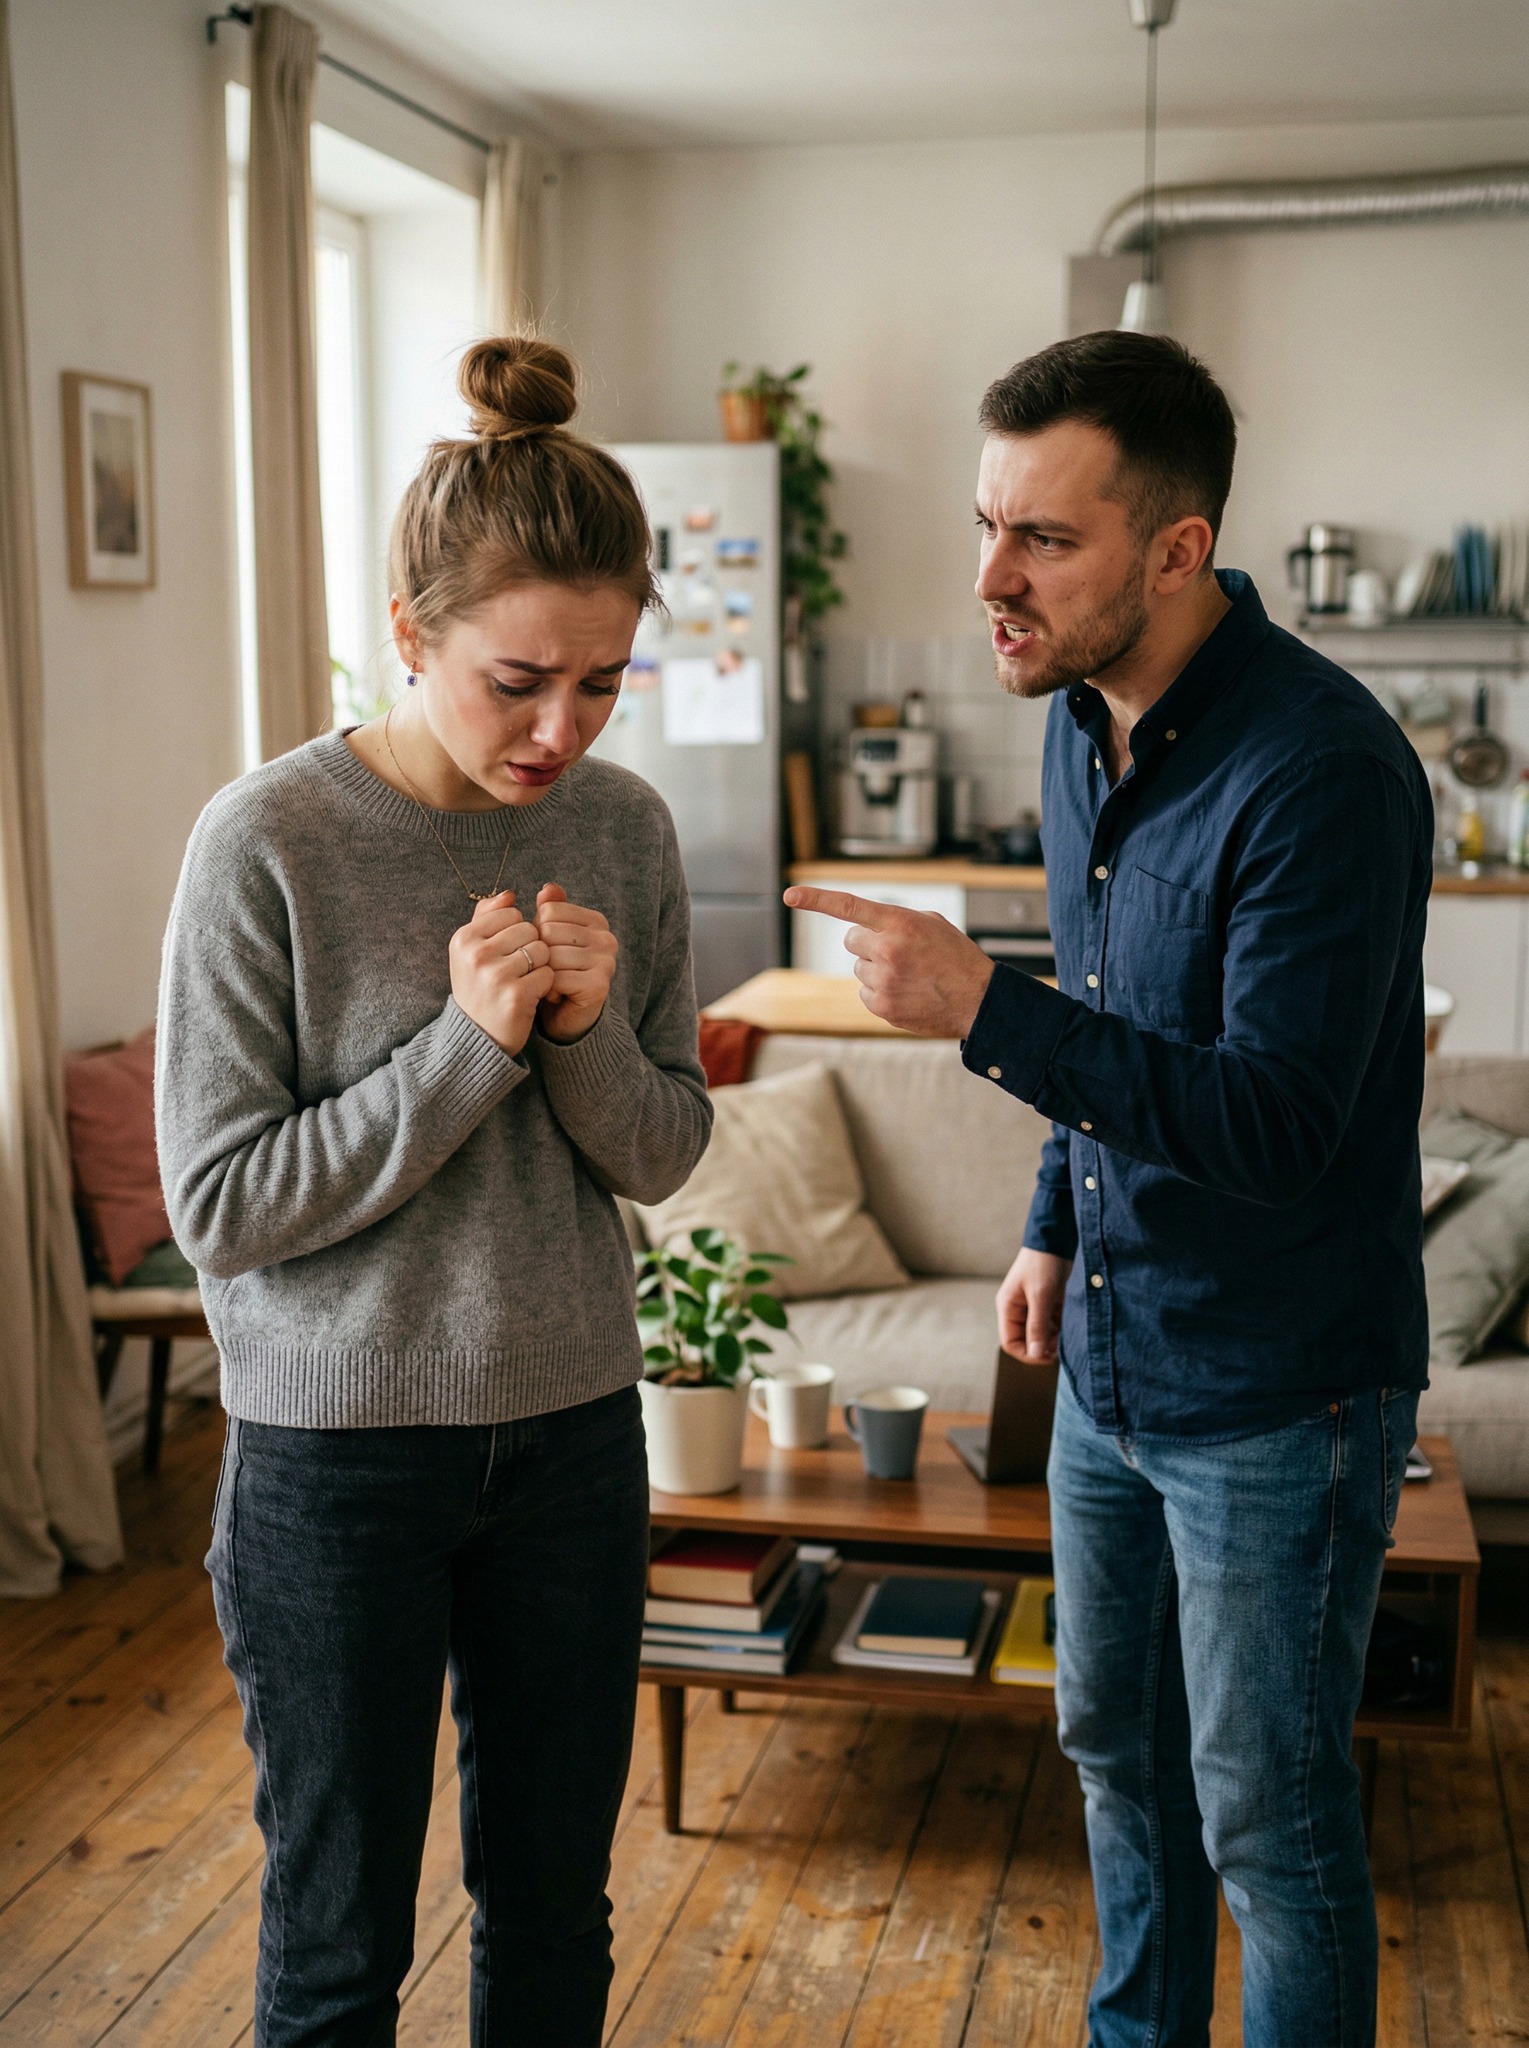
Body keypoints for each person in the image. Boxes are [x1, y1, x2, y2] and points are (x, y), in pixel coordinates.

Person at [786, 330, 1431, 2048]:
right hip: (1107, 1366)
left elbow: (1274, 1122)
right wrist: (1051, 1226)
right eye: (988, 526)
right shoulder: (1077, 728)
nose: (992, 578)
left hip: (1281, 1390)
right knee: (1113, 1765)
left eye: (1043, 541)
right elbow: (1115, 1022)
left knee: (1271, 1830)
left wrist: (980, 1014)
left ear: (1175, 548)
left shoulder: (1326, 774)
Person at [157, 335, 712, 2046]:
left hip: (570, 1438)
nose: (563, 730)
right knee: (337, 1944)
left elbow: (666, 1149)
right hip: (334, 1465)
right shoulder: (268, 841)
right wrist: (467, 1047)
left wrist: (584, 1035)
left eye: (604, 682)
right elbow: (225, 1208)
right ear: (410, 636)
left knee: (553, 1910)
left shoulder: (622, 828)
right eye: (517, 680)